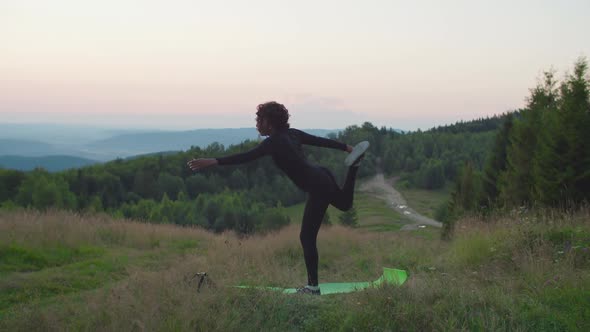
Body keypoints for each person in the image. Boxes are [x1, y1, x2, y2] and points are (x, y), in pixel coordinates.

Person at [187, 101, 369, 295]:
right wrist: (346, 147)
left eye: (259, 119)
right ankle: (354, 166)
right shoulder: (292, 134)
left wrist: (214, 161)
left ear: (269, 122)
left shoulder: (273, 142)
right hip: (322, 175)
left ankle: (312, 287)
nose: (257, 123)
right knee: (344, 204)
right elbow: (319, 141)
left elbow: (246, 156)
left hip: (316, 184)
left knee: (307, 236)